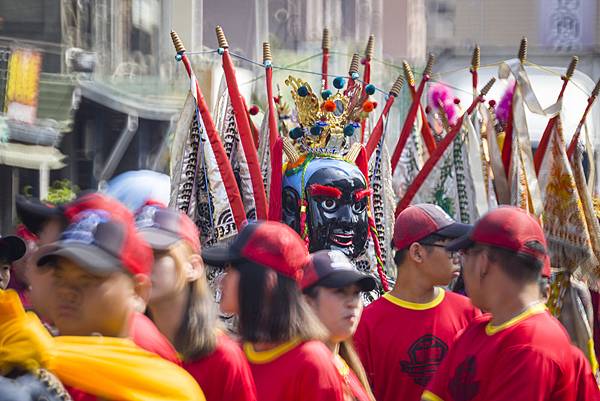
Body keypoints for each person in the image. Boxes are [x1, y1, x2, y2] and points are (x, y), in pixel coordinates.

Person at [422, 206, 600, 401]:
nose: (462, 266)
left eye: (465, 255)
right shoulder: (476, 330)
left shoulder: (533, 344)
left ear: (483, 263)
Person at [202, 221, 346, 401]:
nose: (222, 281)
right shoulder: (233, 355)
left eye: (231, 270)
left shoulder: (311, 363)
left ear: (268, 283)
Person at [354, 204, 481, 401]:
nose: (457, 257)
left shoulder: (468, 311)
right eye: (449, 247)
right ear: (417, 253)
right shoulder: (368, 323)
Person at [135, 203, 257, 401]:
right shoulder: (127, 347)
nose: (144, 264)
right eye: (138, 254)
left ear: (193, 267)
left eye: (157, 254)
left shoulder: (223, 357)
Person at [302, 249, 377, 401]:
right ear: (308, 302)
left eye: (356, 293)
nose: (352, 303)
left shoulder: (343, 363)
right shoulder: (307, 367)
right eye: (340, 292)